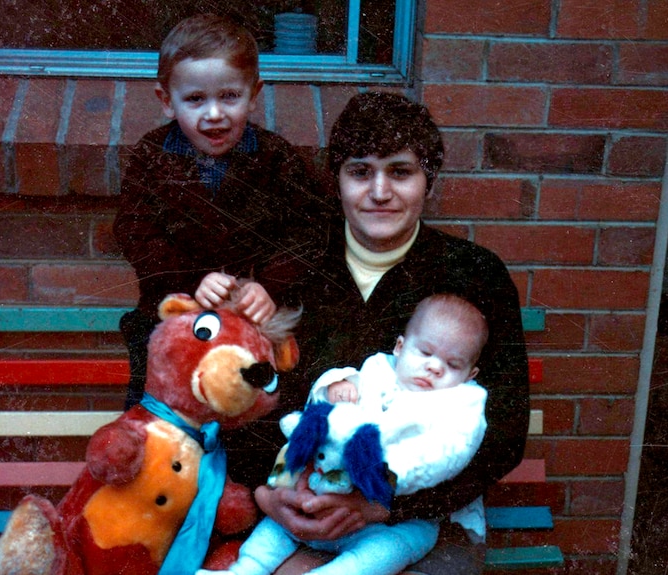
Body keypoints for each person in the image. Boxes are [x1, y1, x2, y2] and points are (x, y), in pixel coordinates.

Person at [235, 91, 531, 575]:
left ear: (428, 181)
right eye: (360, 171)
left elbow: (503, 432)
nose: (379, 191)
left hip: (424, 518)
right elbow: (246, 392)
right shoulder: (294, 269)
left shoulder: (474, 276)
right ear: (337, 180)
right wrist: (267, 494)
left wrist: (381, 507)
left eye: (400, 171)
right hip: (290, 499)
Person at [114, 13, 330, 410]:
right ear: (166, 101)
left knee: (258, 415)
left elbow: (311, 231)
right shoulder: (151, 157)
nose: (214, 114)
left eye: (229, 96)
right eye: (195, 99)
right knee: (159, 421)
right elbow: (135, 233)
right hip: (172, 319)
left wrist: (270, 286)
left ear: (253, 94)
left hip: (254, 324)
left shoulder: (276, 158)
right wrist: (193, 279)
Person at [199, 294, 490, 575]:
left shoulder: (462, 406)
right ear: (400, 347)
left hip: (392, 518)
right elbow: (326, 403)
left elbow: (450, 451)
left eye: (452, 365)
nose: (434, 367)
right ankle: (245, 569)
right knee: (275, 531)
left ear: (469, 375)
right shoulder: (379, 368)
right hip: (322, 493)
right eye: (425, 352)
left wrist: (394, 474)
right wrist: (335, 385)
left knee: (397, 546)